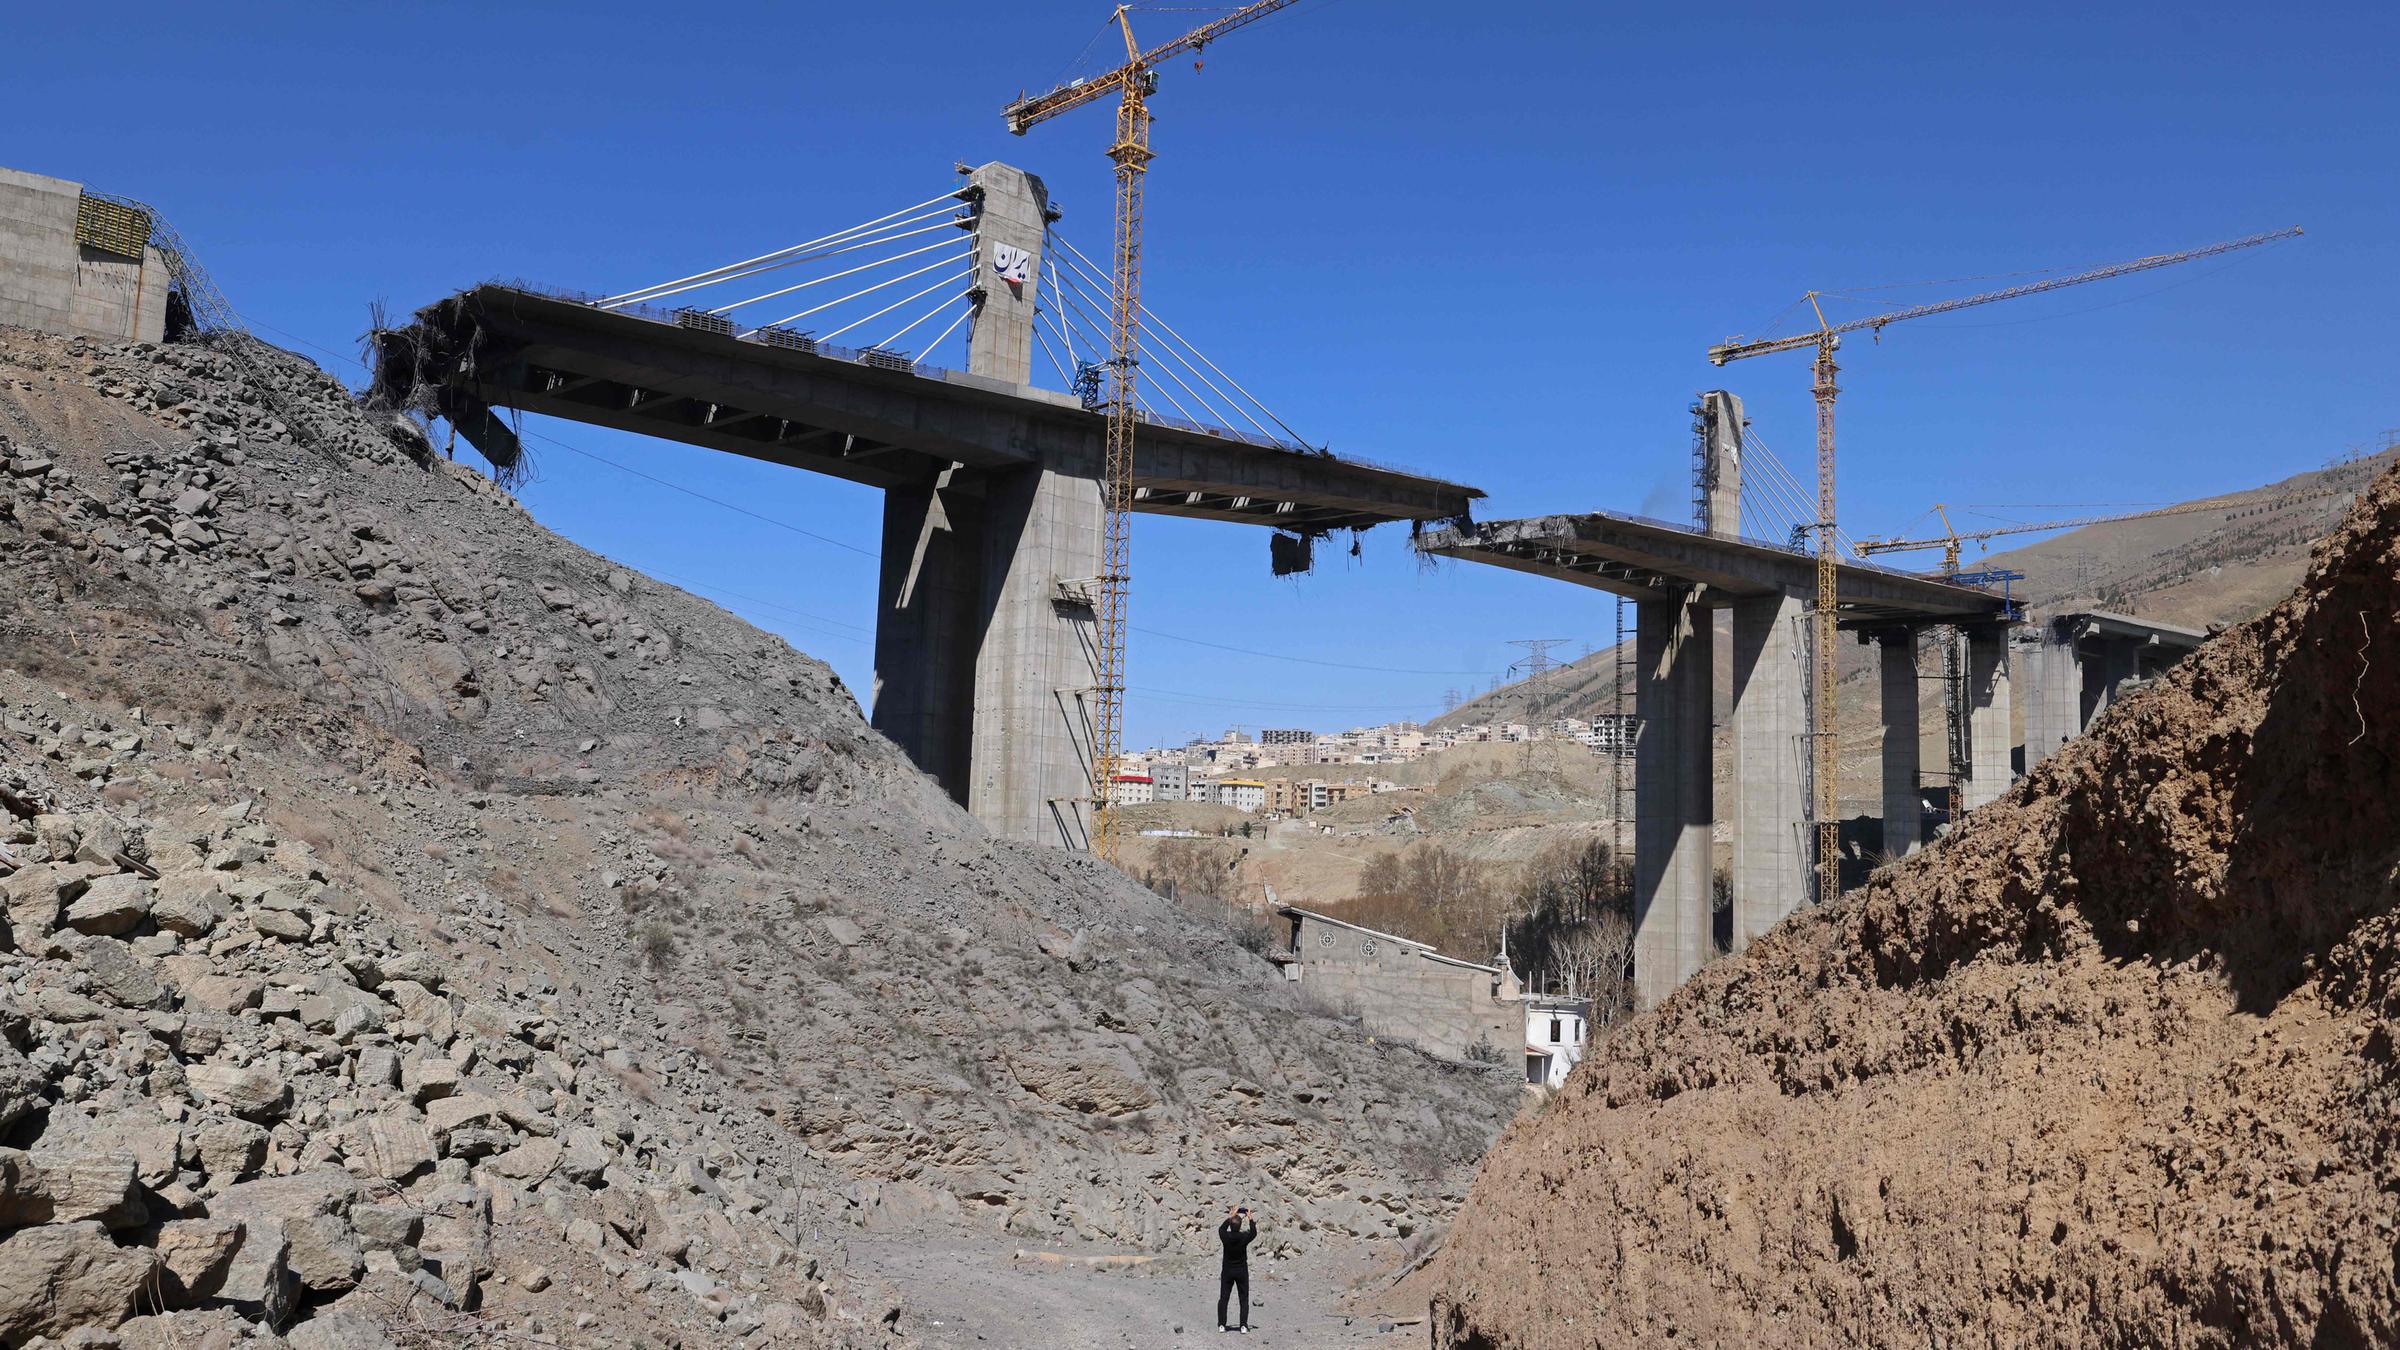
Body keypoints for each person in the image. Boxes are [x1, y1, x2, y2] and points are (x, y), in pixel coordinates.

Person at [1216, 1204, 1257, 1333]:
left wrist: (1231, 1216)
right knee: (1243, 1298)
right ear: (1240, 1226)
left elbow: (1221, 1229)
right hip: (1241, 1271)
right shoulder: (1244, 1237)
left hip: (1227, 1271)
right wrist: (1250, 1218)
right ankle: (1243, 1326)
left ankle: (1222, 1325)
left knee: (1224, 1298)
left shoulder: (1225, 1236)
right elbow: (1254, 1233)